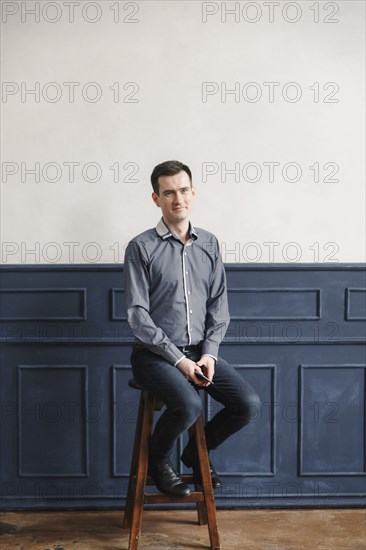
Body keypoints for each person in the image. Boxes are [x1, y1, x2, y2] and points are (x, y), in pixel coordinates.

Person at [124, 160, 260, 497]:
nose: (177, 198)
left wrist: (209, 356)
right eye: (168, 192)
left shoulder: (210, 244)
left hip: (200, 350)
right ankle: (158, 461)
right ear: (156, 199)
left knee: (248, 404)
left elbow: (218, 307)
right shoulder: (140, 248)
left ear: (193, 193)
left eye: (183, 190)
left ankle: (194, 454)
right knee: (188, 405)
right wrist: (179, 361)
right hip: (153, 355)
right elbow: (138, 316)